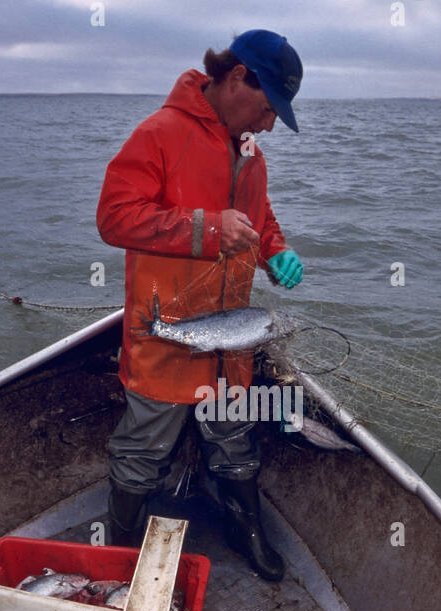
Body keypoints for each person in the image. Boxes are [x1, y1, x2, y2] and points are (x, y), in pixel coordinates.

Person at [96, 30, 304, 582]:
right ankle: (118, 557)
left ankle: (245, 527)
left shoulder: (249, 153)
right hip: (165, 337)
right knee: (141, 452)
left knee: (236, 440)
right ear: (237, 78)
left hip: (229, 343)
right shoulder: (160, 134)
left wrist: (276, 253)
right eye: (267, 109)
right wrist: (207, 229)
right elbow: (114, 218)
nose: (267, 126)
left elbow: (259, 220)